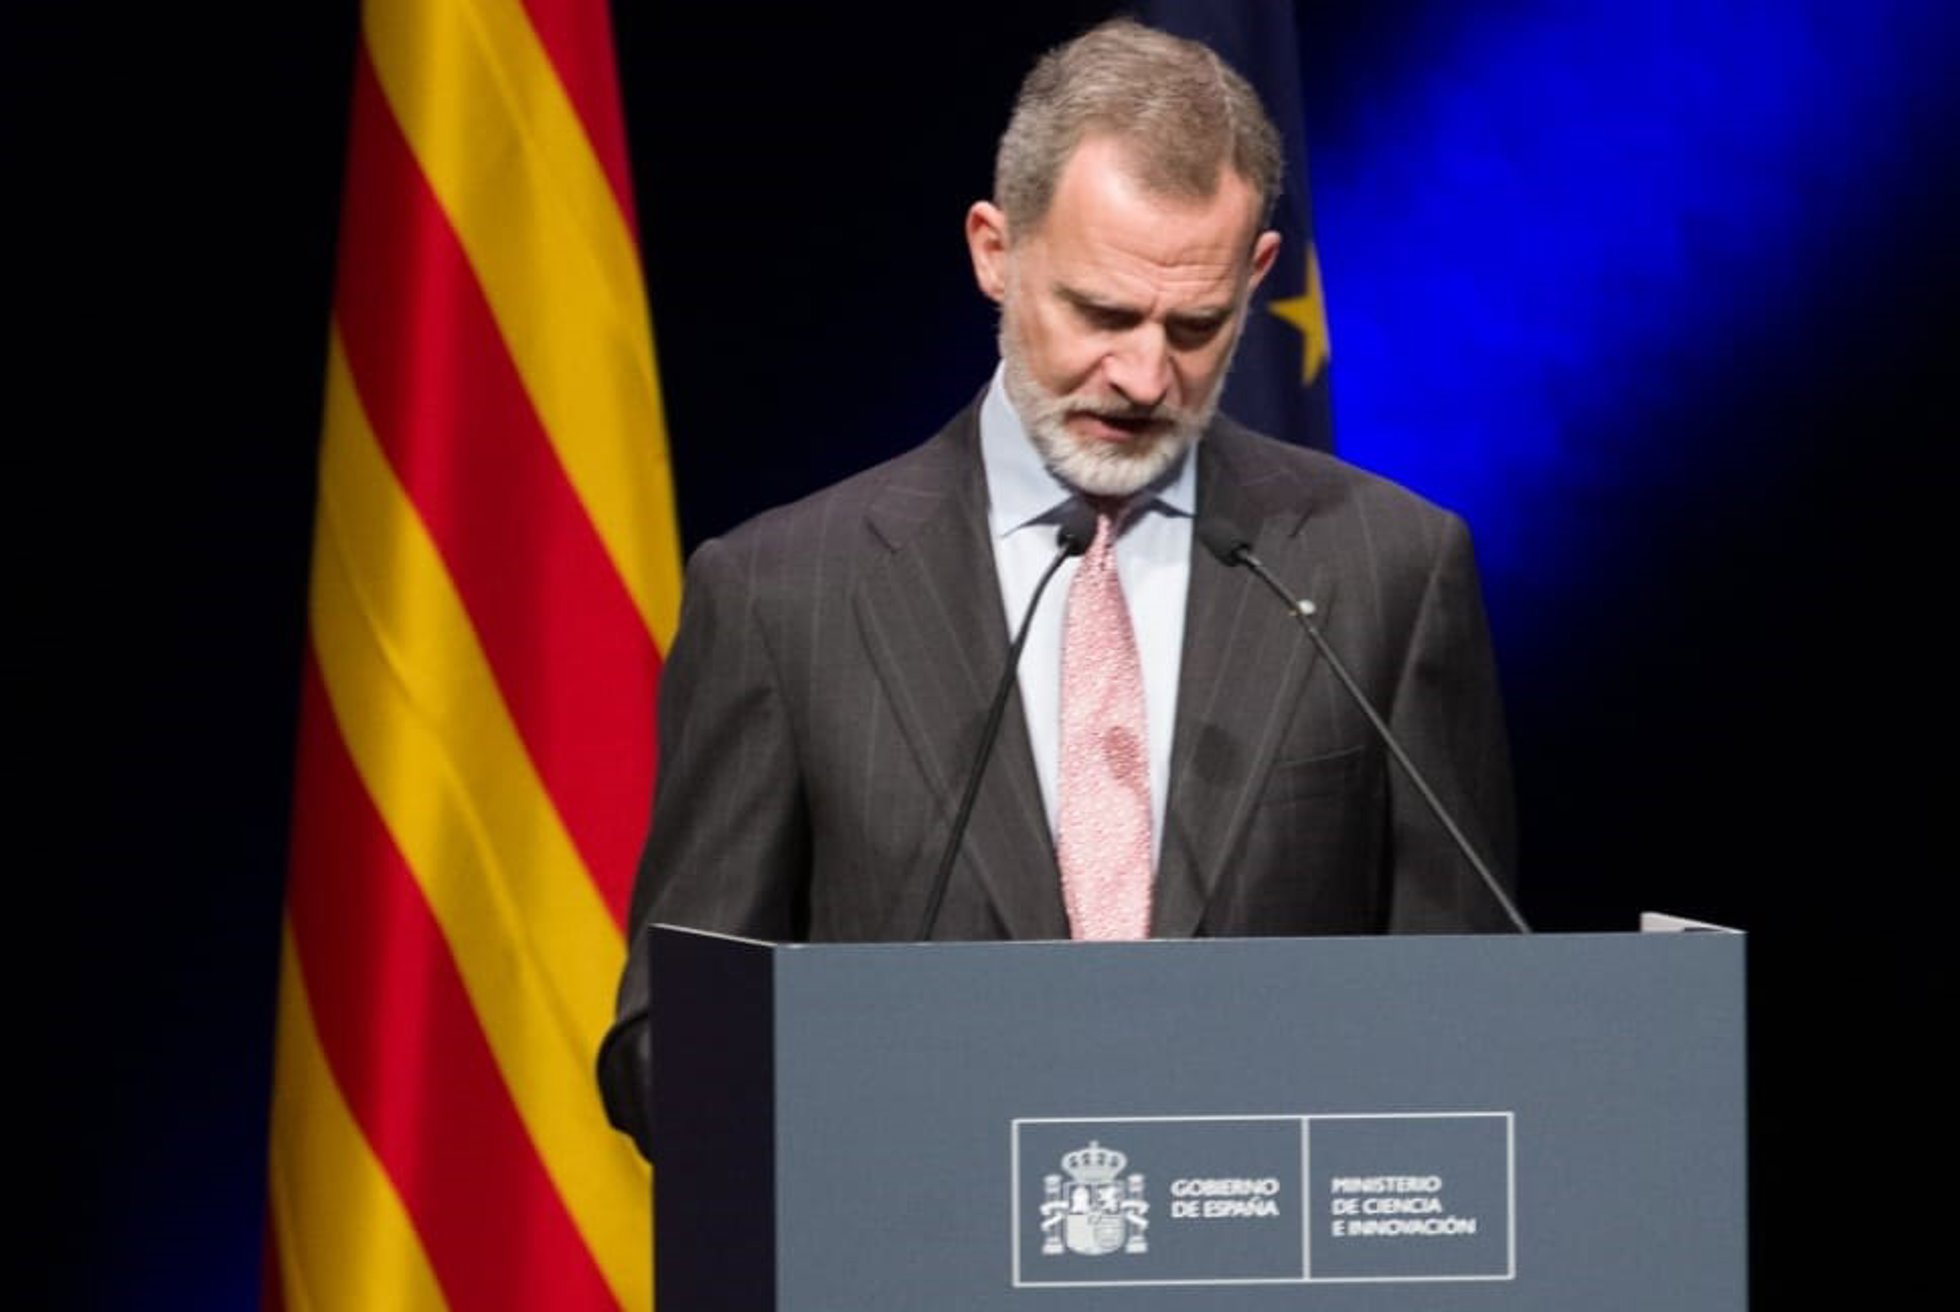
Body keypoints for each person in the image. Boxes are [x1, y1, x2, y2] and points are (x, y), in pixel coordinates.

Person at [598, 18, 1517, 1157]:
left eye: (1195, 325)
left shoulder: (1386, 570)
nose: (1142, 376)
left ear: (1257, 275)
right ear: (994, 249)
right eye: (1099, 312)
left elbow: (1474, 1022)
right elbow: (663, 1049)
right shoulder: (784, 596)